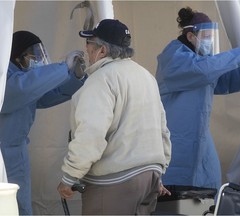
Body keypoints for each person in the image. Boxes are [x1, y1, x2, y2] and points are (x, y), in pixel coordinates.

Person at [57, 19, 172, 215]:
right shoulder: (145, 76)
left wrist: (69, 177)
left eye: (89, 44)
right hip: (149, 176)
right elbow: (162, 129)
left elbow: (90, 135)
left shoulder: (100, 80)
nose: (86, 49)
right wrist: (159, 169)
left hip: (115, 181)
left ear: (101, 50)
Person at [155, 7, 240, 192]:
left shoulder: (203, 61)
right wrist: (239, 53)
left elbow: (226, 80)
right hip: (176, 140)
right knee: (175, 198)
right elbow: (201, 70)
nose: (210, 41)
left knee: (207, 191)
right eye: (206, 36)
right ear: (190, 36)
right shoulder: (173, 58)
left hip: (200, 139)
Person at [0, 30, 86, 215]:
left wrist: (75, 78)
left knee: (20, 205)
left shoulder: (25, 78)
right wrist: (63, 68)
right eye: (32, 55)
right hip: (3, 152)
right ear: (16, 56)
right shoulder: (6, 76)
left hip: (16, 152)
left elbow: (47, 95)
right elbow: (16, 92)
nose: (36, 60)